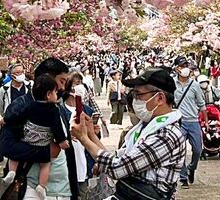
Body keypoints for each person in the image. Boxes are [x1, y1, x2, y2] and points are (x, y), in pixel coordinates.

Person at [70, 67, 185, 199]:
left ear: (159, 98)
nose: (134, 99)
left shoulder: (167, 135)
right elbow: (119, 159)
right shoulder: (145, 127)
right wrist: (90, 135)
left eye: (138, 94)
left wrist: (84, 139)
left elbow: (118, 168)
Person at [0, 57, 78, 200]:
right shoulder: (20, 106)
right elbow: (7, 146)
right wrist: (45, 151)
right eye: (61, 81)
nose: (62, 88)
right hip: (31, 189)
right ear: (46, 79)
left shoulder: (57, 108)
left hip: (63, 190)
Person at [172, 56, 205, 188]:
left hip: (193, 121)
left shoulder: (195, 85)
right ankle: (183, 177)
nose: (185, 68)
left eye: (186, 65)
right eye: (182, 66)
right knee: (180, 151)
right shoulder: (171, 84)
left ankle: (192, 168)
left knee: (197, 149)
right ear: (176, 68)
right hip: (178, 122)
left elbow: (201, 104)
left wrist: (206, 121)